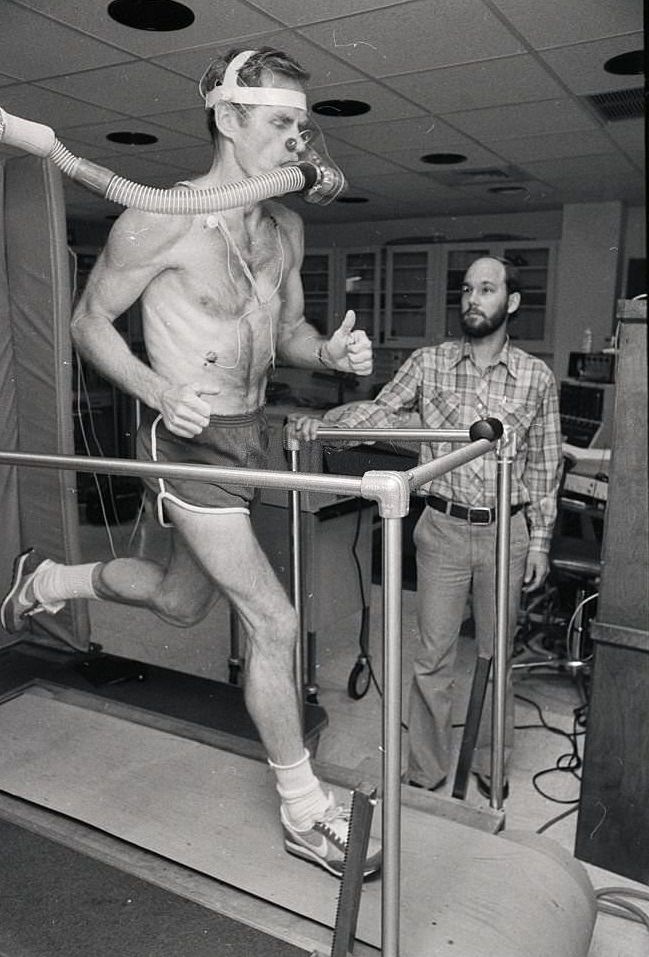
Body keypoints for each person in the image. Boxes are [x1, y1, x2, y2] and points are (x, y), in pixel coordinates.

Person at [0, 47, 381, 878]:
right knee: (273, 619)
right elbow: (88, 321)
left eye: (303, 126)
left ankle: (49, 579)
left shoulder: (286, 223)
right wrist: (155, 388)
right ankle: (305, 811)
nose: (300, 143)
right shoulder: (158, 217)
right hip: (187, 442)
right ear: (228, 118)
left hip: (251, 437)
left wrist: (334, 353)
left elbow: (287, 336)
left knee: (179, 602)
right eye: (281, 124)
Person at [291, 256, 563, 797]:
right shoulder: (429, 362)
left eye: (487, 289)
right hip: (441, 531)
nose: (472, 298)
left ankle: (492, 769)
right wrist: (326, 428)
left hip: (505, 534)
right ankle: (426, 771)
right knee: (432, 658)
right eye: (466, 288)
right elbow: (382, 412)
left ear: (510, 303)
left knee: (496, 656)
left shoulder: (537, 377)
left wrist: (539, 541)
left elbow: (544, 465)